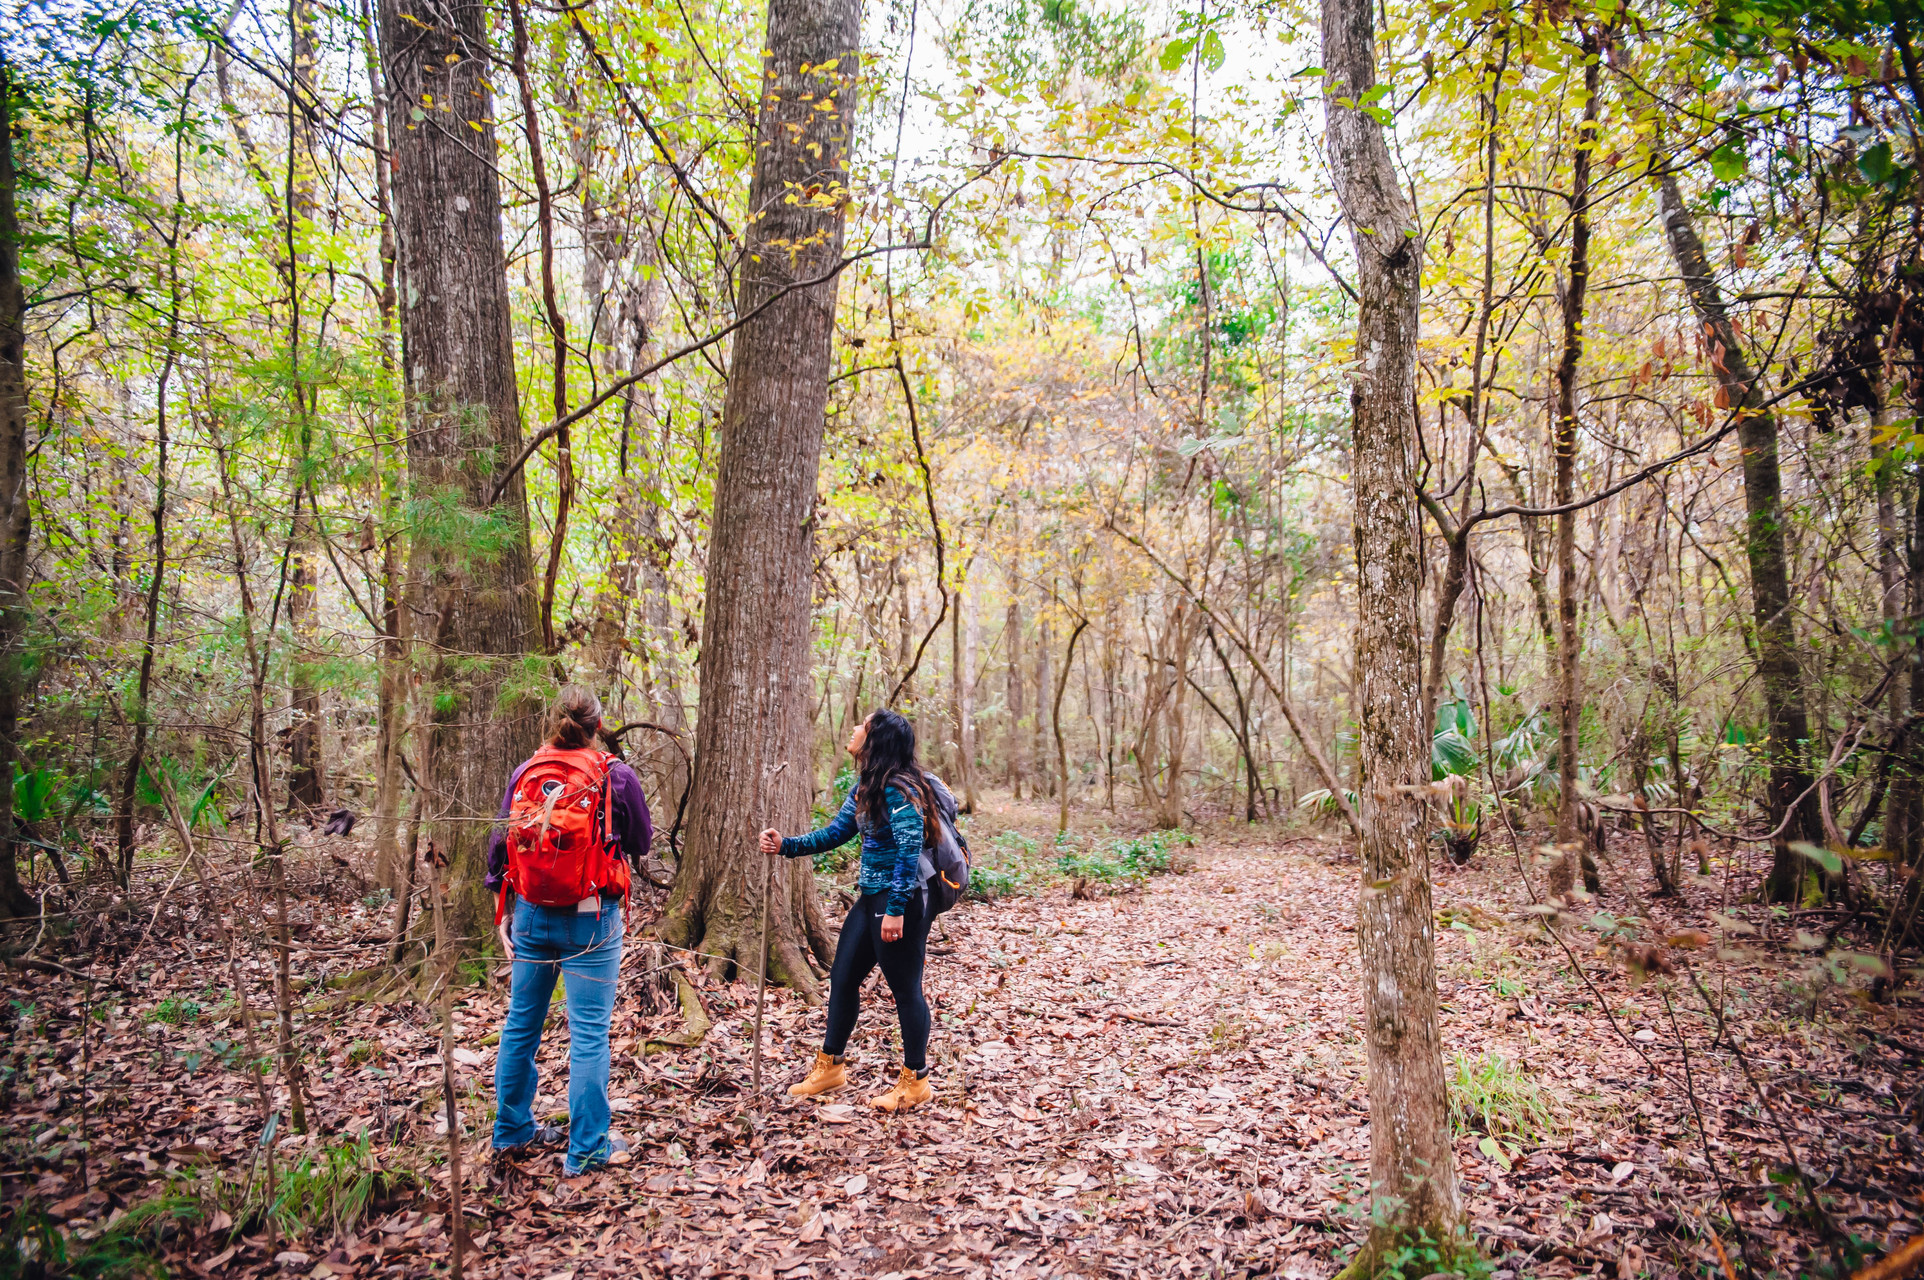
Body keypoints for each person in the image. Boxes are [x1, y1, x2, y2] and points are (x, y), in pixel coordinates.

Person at [487, 686, 653, 1174]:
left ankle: (511, 1129)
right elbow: (641, 841)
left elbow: (501, 841)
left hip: (532, 912)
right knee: (588, 1033)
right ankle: (585, 1150)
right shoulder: (613, 774)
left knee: (521, 1025)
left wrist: (503, 910)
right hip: (591, 916)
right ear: (598, 725)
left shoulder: (526, 771)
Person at [759, 708, 942, 1113]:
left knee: (905, 990)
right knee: (842, 979)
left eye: (863, 725)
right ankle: (831, 1067)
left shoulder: (898, 787)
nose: (855, 728)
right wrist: (785, 844)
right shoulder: (866, 784)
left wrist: (895, 909)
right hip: (870, 898)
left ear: (876, 739)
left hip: (900, 902)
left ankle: (916, 1081)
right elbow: (837, 832)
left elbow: (910, 848)